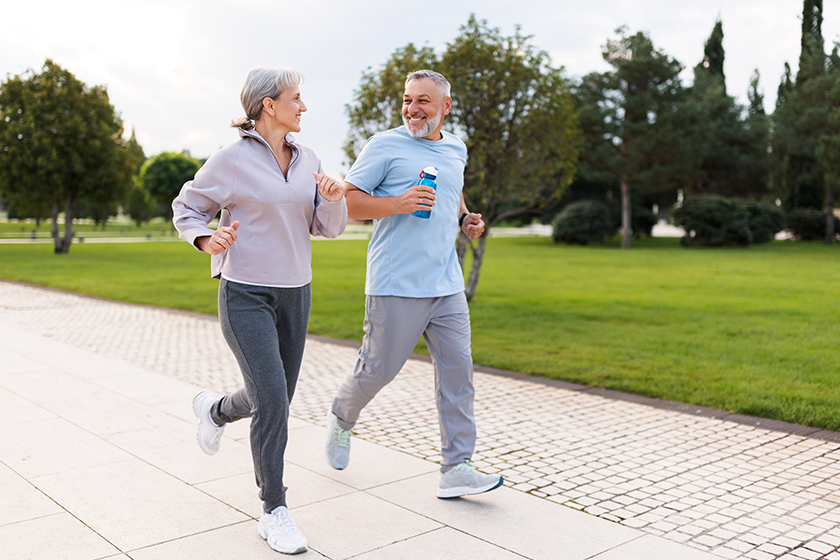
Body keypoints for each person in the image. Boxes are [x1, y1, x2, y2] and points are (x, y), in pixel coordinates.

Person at [173, 66, 347, 555]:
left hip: (296, 293)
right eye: (296, 98)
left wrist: (333, 201)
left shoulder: (308, 158)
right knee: (272, 400)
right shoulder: (231, 160)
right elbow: (187, 207)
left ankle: (214, 411)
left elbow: (327, 227)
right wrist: (206, 238)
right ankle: (274, 509)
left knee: (274, 398)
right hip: (245, 293)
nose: (303, 106)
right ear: (269, 104)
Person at [324, 69, 503, 499]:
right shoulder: (384, 145)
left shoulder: (456, 147)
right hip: (395, 282)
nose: (412, 109)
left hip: (446, 283)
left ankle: (456, 467)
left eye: (423, 100)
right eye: (407, 100)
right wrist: (399, 203)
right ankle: (342, 417)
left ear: (446, 106)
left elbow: (453, 192)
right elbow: (348, 200)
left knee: (458, 373)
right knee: (378, 369)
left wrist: (465, 219)